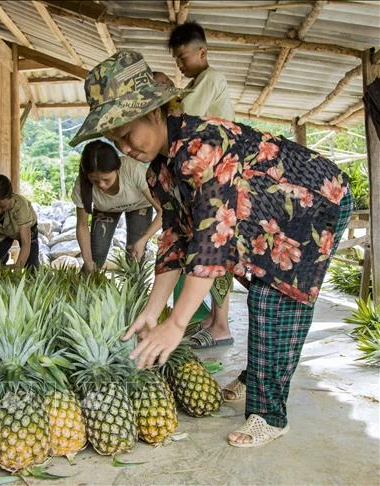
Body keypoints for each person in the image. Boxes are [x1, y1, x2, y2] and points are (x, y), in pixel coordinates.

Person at [69, 50, 351, 448]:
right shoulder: (159, 171)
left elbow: (211, 244)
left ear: (154, 112)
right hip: (268, 216)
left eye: (127, 136)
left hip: (315, 201)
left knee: (274, 301)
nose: (125, 149)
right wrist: (153, 311)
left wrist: (177, 323)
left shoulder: (205, 145)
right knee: (260, 293)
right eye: (115, 142)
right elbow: (175, 240)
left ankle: (270, 416)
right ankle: (259, 375)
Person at [168, 21, 236, 348]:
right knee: (210, 250)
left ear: (202, 52)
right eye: (177, 60)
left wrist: (167, 93)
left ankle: (221, 325)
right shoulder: (198, 84)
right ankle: (212, 318)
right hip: (209, 177)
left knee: (217, 251)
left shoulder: (211, 79)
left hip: (220, 177)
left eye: (183, 57)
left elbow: (186, 116)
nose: (180, 65)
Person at [73, 140, 163, 272]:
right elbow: (82, 226)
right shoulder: (82, 185)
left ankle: (136, 290)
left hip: (139, 206)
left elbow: (162, 211)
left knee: (135, 255)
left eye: (106, 179)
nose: (101, 185)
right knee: (95, 256)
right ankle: (82, 288)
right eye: (95, 180)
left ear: (117, 168)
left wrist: (144, 239)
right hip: (106, 209)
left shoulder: (133, 169)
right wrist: (87, 262)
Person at [0, 174, 39, 269]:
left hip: (27, 231)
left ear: (11, 196)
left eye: (3, 206)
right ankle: (3, 260)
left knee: (31, 267)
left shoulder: (20, 205)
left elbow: (26, 243)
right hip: (0, 231)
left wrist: (17, 268)